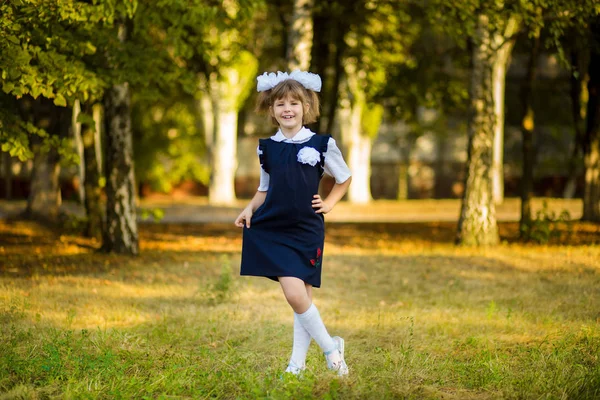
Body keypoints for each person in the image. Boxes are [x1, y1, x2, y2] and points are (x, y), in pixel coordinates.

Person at [235, 70, 352, 376]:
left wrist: (328, 203)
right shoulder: (267, 148)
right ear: (271, 110)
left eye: (294, 103)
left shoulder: (322, 143)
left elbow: (344, 177)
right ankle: (331, 349)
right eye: (280, 104)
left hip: (306, 228)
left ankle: (297, 365)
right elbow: (264, 188)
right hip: (273, 228)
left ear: (306, 107)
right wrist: (248, 209)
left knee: (302, 297)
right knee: (295, 295)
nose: (287, 109)